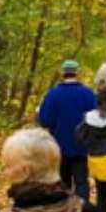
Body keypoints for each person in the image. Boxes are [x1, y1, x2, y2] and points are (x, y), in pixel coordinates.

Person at [35, 59, 98, 199]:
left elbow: (45, 120)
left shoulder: (52, 94)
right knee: (81, 182)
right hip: (81, 145)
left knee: (63, 182)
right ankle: (82, 211)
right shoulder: (88, 94)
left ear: (63, 73)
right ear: (77, 73)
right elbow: (95, 118)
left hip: (59, 145)